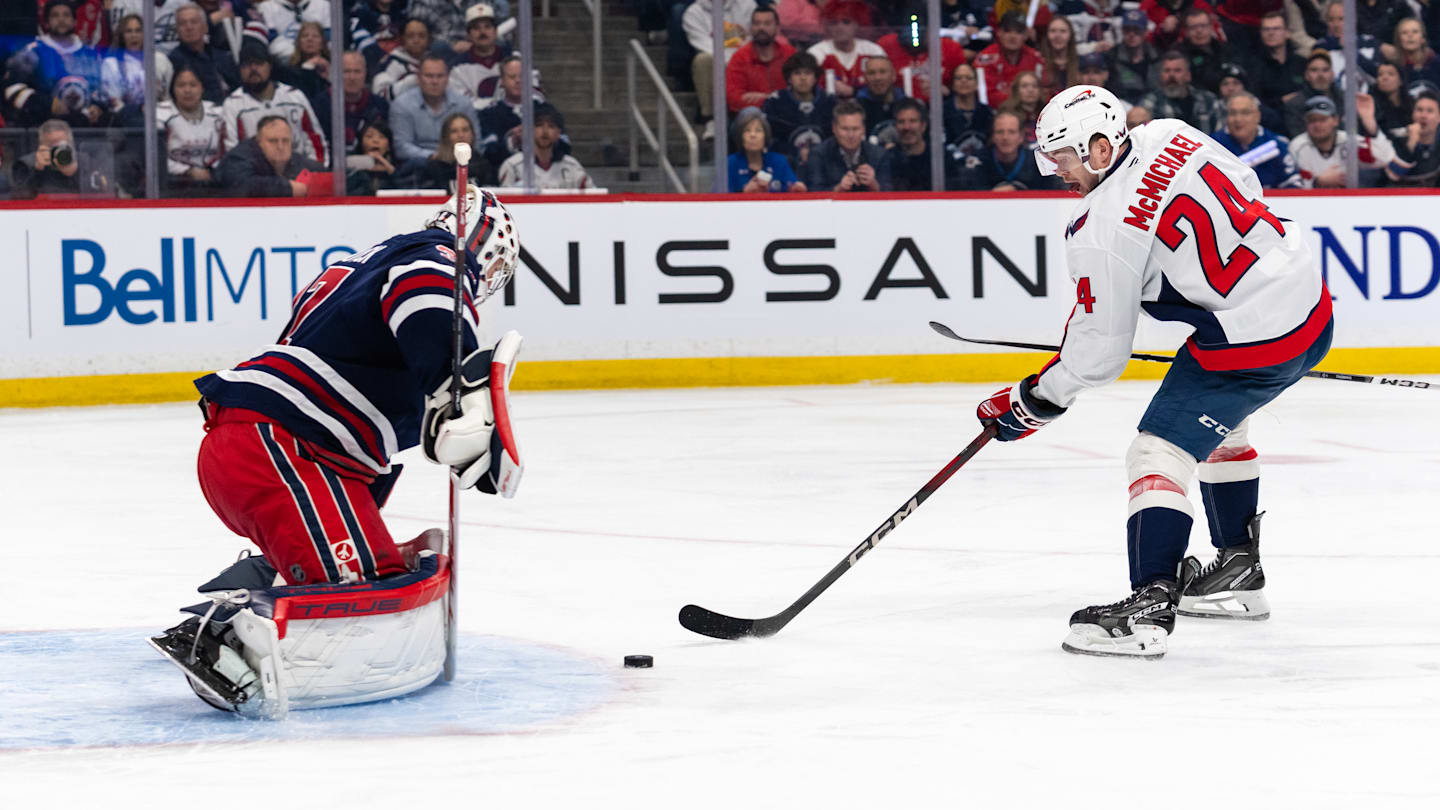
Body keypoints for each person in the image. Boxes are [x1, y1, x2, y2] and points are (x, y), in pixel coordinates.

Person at [975, 83, 1332, 658]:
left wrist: (1034, 400)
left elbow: (1098, 356)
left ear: (1096, 147)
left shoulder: (1098, 231)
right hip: (1309, 301)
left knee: (1156, 453)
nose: (1054, 172)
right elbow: (1245, 185)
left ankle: (1150, 604)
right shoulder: (1169, 132)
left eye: (1061, 157)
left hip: (1250, 342)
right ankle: (1238, 569)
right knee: (1220, 426)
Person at [149, 184, 523, 716]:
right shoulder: (434, 257)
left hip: (278, 448)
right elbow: (424, 293)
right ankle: (222, 639)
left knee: (383, 571)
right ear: (489, 249)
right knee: (357, 593)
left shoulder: (354, 270)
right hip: (277, 448)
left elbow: (348, 405)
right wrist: (450, 380)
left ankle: (269, 581)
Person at [222, 40, 328, 163]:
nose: (253, 69)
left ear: (270, 66)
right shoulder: (233, 103)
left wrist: (316, 174)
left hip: (297, 170)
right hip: (253, 174)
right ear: (239, 70)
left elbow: (314, 139)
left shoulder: (294, 96)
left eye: (259, 63)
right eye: (246, 65)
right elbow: (230, 151)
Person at [684, 0, 757, 139]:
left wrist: (737, 60)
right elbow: (703, 44)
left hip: (745, 59)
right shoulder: (693, 13)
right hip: (717, 62)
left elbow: (752, 37)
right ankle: (711, 119)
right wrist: (730, 61)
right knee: (702, 60)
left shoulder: (748, 5)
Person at [1290, 95, 1395, 188]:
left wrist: (1370, 123)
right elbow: (1293, 182)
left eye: (1322, 119)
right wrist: (1318, 181)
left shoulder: (1349, 141)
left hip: (1347, 200)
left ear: (1335, 120)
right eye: (1312, 120)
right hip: (1310, 202)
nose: (1317, 125)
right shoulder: (1297, 146)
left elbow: (1384, 159)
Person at [389, 55, 478, 165]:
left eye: (440, 76)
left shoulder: (464, 104)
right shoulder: (402, 105)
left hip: (460, 161)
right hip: (421, 165)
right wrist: (435, 156)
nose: (435, 81)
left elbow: (476, 141)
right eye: (429, 76)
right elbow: (401, 147)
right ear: (418, 78)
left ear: (447, 78)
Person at [215, 114, 326, 196]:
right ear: (259, 142)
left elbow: (328, 176)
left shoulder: (297, 161)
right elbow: (242, 185)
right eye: (273, 141)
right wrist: (287, 188)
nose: (280, 146)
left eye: (285, 141)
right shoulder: (238, 158)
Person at [158, 66, 227, 194]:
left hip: (215, 182)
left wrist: (212, 171)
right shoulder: (161, 114)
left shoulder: (218, 113)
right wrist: (188, 171)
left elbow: (228, 150)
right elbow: (156, 159)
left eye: (193, 85)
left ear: (202, 88)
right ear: (173, 89)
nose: (187, 90)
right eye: (181, 85)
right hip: (174, 185)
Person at [1208, 92, 1299, 189]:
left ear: (1258, 116)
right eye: (1233, 113)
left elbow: (1293, 185)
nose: (1238, 119)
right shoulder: (1212, 145)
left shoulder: (1277, 144)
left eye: (1245, 113)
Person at [954, 109, 1056, 190]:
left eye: (1011, 132)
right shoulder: (978, 162)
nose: (1005, 137)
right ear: (993, 136)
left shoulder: (1038, 163)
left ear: (1021, 137)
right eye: (1000, 132)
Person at [762, 50, 835, 163]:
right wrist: (796, 153)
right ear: (789, 78)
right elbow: (769, 142)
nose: (803, 78)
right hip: (785, 164)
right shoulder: (775, 103)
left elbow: (835, 140)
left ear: (815, 78)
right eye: (797, 73)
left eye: (808, 73)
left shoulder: (829, 102)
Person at [8, 117, 111, 196]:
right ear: (42, 145)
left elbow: (103, 191)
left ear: (72, 143)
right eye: (53, 145)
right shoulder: (26, 164)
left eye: (63, 144)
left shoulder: (85, 161)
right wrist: (37, 169)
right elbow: (18, 198)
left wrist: (75, 172)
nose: (59, 150)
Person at [497, 103, 591, 189]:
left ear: (559, 133)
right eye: (539, 125)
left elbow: (593, 196)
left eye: (551, 126)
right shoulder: (513, 166)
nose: (545, 131)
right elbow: (504, 202)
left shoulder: (572, 166)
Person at [804, 99, 891, 191]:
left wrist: (873, 184)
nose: (850, 135)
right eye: (845, 129)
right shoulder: (818, 154)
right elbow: (814, 193)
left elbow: (892, 195)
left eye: (855, 129)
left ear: (863, 129)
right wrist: (838, 189)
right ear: (834, 128)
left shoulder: (879, 154)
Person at [314, 50, 389, 156]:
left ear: (365, 74)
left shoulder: (380, 105)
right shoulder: (320, 104)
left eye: (357, 71)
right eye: (346, 71)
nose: (352, 78)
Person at [806, 0, 883, 99]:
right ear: (828, 27)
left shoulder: (873, 51)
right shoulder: (815, 53)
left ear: (857, 25)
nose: (840, 27)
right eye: (834, 23)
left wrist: (853, 92)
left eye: (846, 22)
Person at [726, 6, 795, 114]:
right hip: (751, 121)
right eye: (756, 23)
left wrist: (767, 98)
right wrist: (776, 101)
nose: (761, 28)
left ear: (777, 28)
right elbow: (733, 100)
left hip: (786, 115)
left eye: (767, 24)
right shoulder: (739, 57)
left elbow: (802, 91)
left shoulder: (790, 54)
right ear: (750, 28)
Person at [166, 3, 239, 104]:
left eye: (194, 22)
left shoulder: (222, 55)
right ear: (177, 30)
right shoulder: (175, 60)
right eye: (183, 23)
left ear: (205, 27)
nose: (189, 27)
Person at [1137, 51, 1221, 133]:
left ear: (1188, 76)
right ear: (1161, 76)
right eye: (1167, 71)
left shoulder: (1208, 100)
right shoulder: (1149, 103)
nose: (1171, 75)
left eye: (1177, 70)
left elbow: (1219, 132)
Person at [727, 106, 805, 192]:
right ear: (740, 136)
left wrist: (797, 189)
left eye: (758, 130)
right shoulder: (729, 164)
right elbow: (718, 200)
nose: (753, 135)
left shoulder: (779, 161)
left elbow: (793, 187)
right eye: (747, 131)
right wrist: (744, 193)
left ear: (766, 136)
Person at [971, 11, 1041, 107]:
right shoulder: (985, 58)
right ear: (999, 32)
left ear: (1026, 35)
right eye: (1007, 30)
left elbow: (1042, 93)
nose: (1012, 36)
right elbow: (985, 97)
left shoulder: (1036, 58)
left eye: (1018, 31)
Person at [418, 110, 495, 189]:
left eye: (465, 130)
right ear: (446, 136)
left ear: (473, 134)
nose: (461, 135)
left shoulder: (483, 164)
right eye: (454, 131)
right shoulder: (433, 167)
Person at [450, 3, 511, 101]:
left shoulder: (512, 59)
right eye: (476, 28)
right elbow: (462, 105)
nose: (482, 32)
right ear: (468, 35)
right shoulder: (457, 68)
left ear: (495, 32)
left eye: (487, 27)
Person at [1384, 91, 1440, 186]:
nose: (1423, 116)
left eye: (1430, 111)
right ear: (1413, 114)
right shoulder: (1396, 140)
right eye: (1419, 110)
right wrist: (1411, 143)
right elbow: (1392, 176)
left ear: (1439, 117)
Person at [1281, 51, 1339, 138]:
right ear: (1306, 75)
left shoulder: (1345, 100)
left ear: (1332, 74)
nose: (1320, 75)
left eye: (1325, 70)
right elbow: (1297, 137)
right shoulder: (1294, 105)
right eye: (1314, 70)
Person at [372, 17, 431, 100]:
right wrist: (412, 81)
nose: (416, 40)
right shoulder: (390, 62)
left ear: (429, 39)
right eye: (410, 36)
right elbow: (380, 95)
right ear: (402, 38)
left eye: (422, 36)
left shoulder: (437, 61)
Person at [941, 61, 992, 160]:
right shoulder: (942, 113)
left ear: (976, 83)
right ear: (952, 84)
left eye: (969, 78)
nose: (963, 81)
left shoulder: (987, 113)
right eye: (958, 78)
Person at [1109, 9, 1157, 104]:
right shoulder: (1111, 57)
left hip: (1152, 105)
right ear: (1122, 31)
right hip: (1122, 104)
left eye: (1137, 30)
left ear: (1145, 32)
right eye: (1127, 30)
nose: (1131, 34)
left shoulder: (1156, 56)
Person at [889, 97, 936, 190]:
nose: (907, 127)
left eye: (912, 121)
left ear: (923, 126)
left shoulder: (940, 158)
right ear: (895, 127)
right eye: (901, 122)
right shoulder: (887, 158)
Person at [855, 54, 904, 142]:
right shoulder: (855, 108)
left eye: (883, 72)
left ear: (893, 76)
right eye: (871, 73)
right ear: (865, 78)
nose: (877, 78)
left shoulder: (907, 105)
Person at [345, 119, 402, 194]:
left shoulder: (399, 167)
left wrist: (390, 170)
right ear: (361, 143)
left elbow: (405, 193)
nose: (375, 140)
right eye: (369, 136)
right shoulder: (350, 166)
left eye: (381, 137)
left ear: (388, 146)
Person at [995, 70, 1041, 143]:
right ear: (1016, 90)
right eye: (1024, 86)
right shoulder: (1006, 112)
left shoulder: (1046, 112)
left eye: (1035, 86)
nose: (1030, 90)